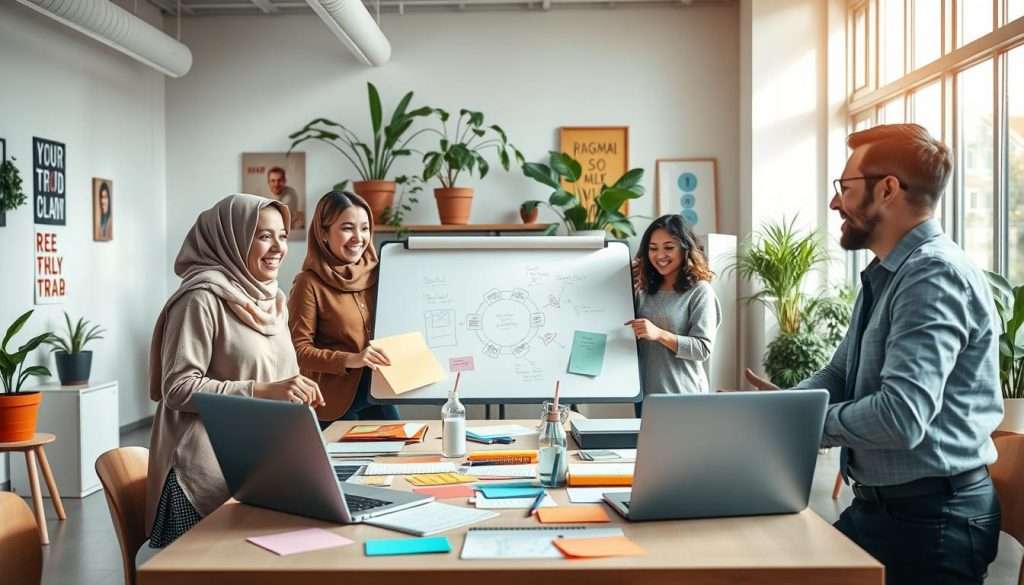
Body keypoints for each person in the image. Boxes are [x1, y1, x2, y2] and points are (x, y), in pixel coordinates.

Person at [745, 124, 1003, 585]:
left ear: (887, 189)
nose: (834, 203)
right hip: (885, 512)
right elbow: (840, 372)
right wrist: (781, 408)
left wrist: (798, 425)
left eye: (845, 188)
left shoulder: (932, 277)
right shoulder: (889, 272)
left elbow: (901, 416)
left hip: (931, 526)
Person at [146, 194, 323, 548]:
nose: (278, 248)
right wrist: (262, 390)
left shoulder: (272, 300)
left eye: (283, 235)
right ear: (231, 237)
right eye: (263, 235)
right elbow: (178, 388)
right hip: (201, 477)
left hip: (258, 469)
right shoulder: (200, 298)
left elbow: (277, 377)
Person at [288, 190, 398, 428]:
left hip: (381, 393)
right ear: (324, 233)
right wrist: (352, 359)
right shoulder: (308, 283)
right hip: (333, 404)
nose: (358, 237)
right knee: (342, 466)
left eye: (365, 228)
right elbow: (298, 350)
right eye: (347, 228)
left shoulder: (384, 273)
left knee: (394, 460)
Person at [627, 214, 722, 417]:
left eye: (669, 247)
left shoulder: (700, 291)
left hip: (684, 398)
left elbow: (703, 349)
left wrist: (659, 334)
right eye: (653, 248)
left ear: (685, 249)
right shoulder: (643, 291)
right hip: (646, 399)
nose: (660, 255)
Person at [266, 166, 304, 231]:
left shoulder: (291, 193)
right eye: (273, 181)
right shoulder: (262, 196)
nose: (276, 184)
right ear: (268, 182)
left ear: (284, 181)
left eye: (279, 180)